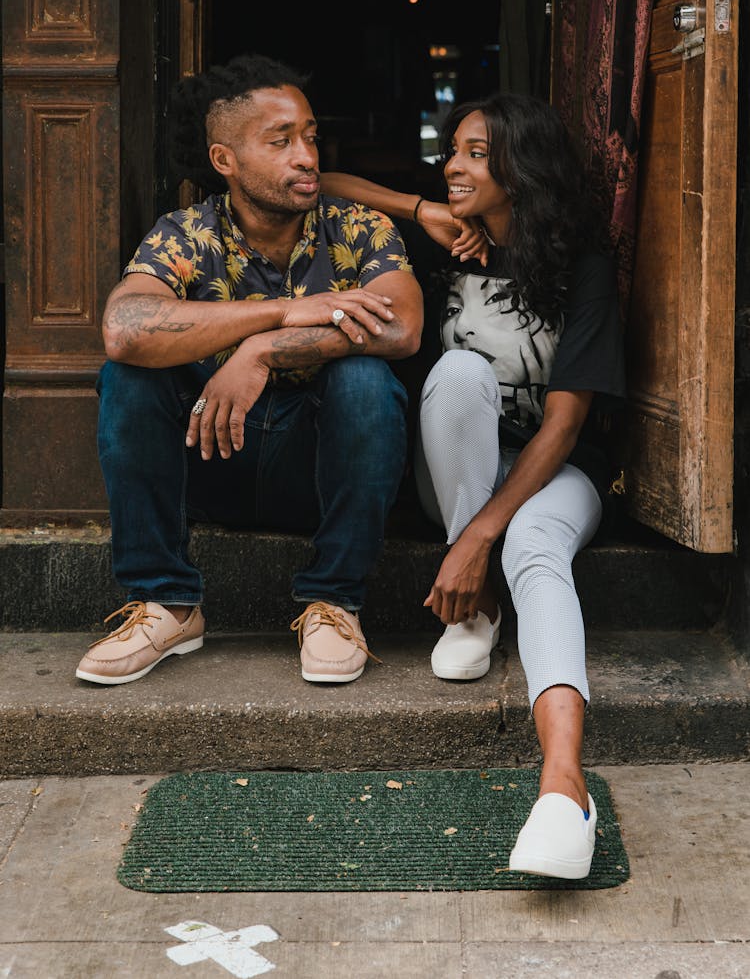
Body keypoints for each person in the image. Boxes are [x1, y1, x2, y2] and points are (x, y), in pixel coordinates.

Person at [320, 91, 626, 880]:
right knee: (456, 373)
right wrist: (421, 210)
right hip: (452, 473)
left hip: (557, 473)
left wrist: (481, 536)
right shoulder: (437, 248)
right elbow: (319, 185)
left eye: (476, 154)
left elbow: (563, 425)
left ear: (521, 168)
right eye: (453, 150)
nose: (455, 165)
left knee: (532, 538)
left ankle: (565, 786)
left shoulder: (581, 266)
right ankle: (477, 609)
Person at [75, 53, 423, 688]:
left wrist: (258, 351)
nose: (307, 157)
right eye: (281, 140)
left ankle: (334, 604)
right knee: (127, 376)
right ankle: (168, 604)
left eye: (311, 136)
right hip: (211, 454)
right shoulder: (185, 235)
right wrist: (284, 312)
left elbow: (400, 326)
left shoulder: (357, 226)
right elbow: (125, 329)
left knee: (367, 381)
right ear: (224, 161)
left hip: (315, 466)